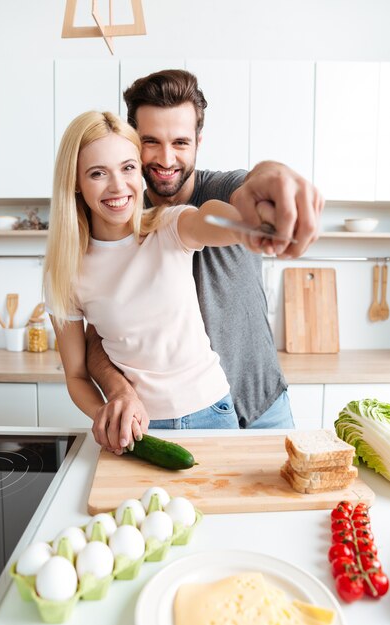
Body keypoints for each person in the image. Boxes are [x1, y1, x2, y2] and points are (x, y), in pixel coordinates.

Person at [84, 69, 324, 454]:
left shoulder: (221, 190)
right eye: (151, 142)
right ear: (132, 142)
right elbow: (96, 335)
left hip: (262, 409)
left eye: (180, 142)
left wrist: (275, 178)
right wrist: (117, 390)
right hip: (173, 422)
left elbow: (251, 186)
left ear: (198, 141)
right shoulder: (118, 218)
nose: (166, 158)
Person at [44, 110, 271, 443]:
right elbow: (76, 375)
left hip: (213, 414)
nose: (118, 185)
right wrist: (106, 413)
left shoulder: (168, 227)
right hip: (138, 429)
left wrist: (249, 222)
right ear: (76, 184)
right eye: (97, 173)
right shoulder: (65, 272)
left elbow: (208, 219)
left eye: (128, 168)